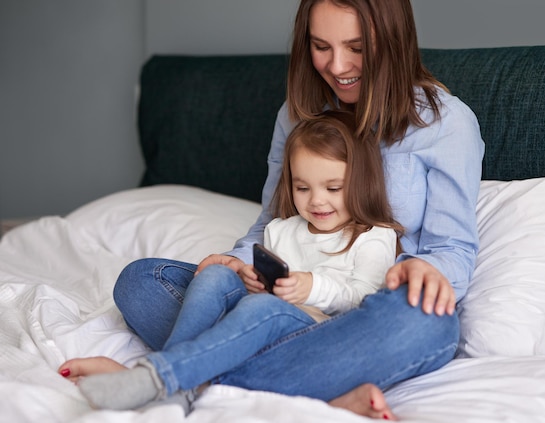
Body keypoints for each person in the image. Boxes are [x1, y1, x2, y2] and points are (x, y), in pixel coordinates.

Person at [58, 0, 484, 420]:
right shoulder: (297, 116)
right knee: (142, 280)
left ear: (394, 41)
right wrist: (236, 263)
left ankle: (171, 377)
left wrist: (424, 270)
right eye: (321, 46)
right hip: (283, 307)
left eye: (356, 47)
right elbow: (270, 224)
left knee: (428, 325)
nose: (337, 66)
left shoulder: (445, 125)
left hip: (369, 312)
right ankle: (317, 390)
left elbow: (453, 250)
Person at [70, 110, 403, 412]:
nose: (316, 200)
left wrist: (310, 287)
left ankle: (162, 378)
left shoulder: (374, 236)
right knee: (215, 277)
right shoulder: (281, 231)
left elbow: (366, 299)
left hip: (317, 339)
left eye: (333, 187)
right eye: (303, 188)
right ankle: (184, 382)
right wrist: (252, 281)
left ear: (361, 182)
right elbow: (261, 299)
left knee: (262, 310)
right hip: (259, 333)